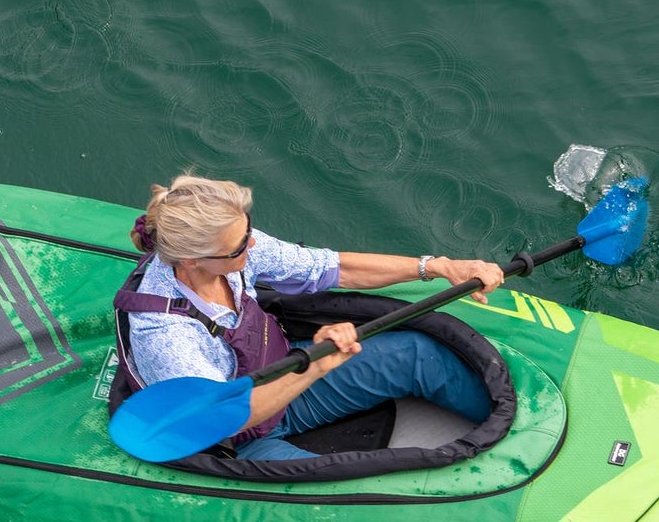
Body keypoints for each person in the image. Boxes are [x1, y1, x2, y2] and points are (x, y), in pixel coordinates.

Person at [111, 175, 505, 460]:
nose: (253, 245)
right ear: (192, 259)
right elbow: (225, 417)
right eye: (239, 247)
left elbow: (330, 268)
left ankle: (509, 429)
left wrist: (436, 266)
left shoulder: (230, 248)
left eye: (248, 232)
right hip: (239, 435)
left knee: (418, 353)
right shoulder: (166, 335)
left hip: (285, 372)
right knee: (341, 491)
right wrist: (316, 367)